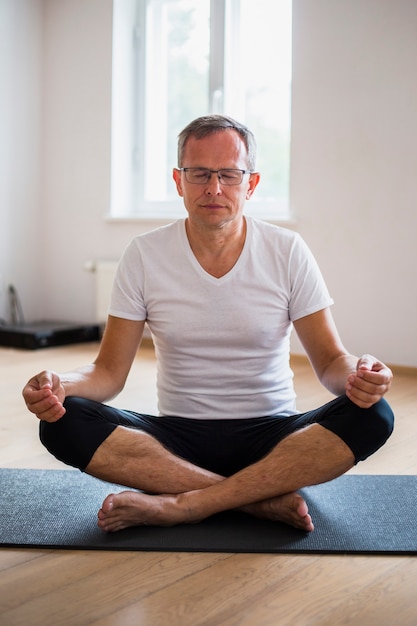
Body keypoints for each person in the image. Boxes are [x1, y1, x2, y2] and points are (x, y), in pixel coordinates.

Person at [22, 114, 394, 533]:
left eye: (229, 175)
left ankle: (185, 504)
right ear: (179, 181)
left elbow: (330, 363)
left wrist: (361, 377)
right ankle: (254, 501)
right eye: (199, 174)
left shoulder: (287, 250)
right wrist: (60, 384)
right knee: (61, 423)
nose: (213, 188)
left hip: (275, 438)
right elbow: (107, 373)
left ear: (250, 184)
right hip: (175, 442)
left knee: (374, 414)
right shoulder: (144, 254)